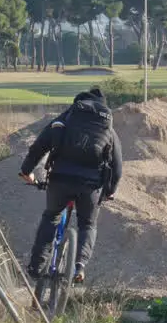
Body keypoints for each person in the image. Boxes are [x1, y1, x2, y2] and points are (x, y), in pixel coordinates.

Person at [18, 87, 122, 284]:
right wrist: (110, 191)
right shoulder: (107, 127)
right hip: (91, 186)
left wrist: (27, 171)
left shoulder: (66, 119)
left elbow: (39, 146)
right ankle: (79, 266)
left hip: (60, 179)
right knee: (88, 224)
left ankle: (36, 266)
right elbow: (117, 167)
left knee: (52, 216)